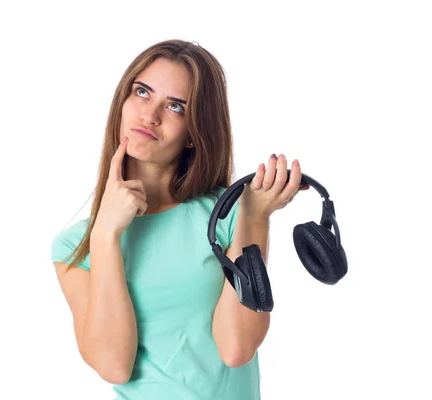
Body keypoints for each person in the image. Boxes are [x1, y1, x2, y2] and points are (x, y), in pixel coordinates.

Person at [50, 39, 309, 400]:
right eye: (142, 92)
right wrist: (106, 234)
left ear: (194, 132)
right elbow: (114, 366)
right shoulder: (73, 247)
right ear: (123, 99)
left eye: (175, 106)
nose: (149, 115)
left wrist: (254, 216)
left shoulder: (231, 214)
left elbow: (236, 349)